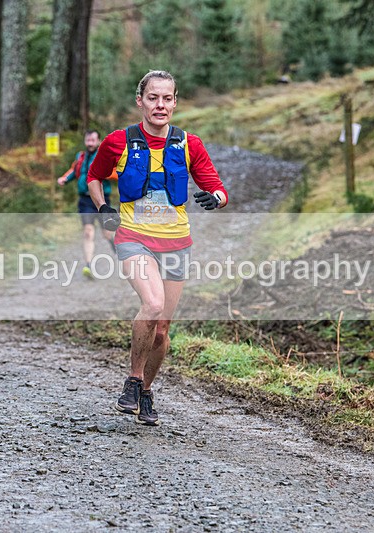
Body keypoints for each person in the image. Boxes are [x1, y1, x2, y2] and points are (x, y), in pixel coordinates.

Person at [87, 70, 229, 426]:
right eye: (153, 98)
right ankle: (133, 379)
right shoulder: (118, 141)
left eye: (167, 98)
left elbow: (218, 188)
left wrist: (216, 199)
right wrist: (104, 208)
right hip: (133, 237)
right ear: (140, 100)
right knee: (151, 305)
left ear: (175, 102)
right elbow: (94, 176)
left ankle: (146, 392)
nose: (160, 105)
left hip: (177, 242)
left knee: (162, 328)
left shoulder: (189, 144)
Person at [57, 130, 116, 279]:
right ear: (85, 141)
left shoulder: (105, 155)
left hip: (102, 200)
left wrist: (103, 172)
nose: (90, 143)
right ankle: (88, 265)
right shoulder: (81, 156)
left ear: (98, 141)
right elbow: (74, 171)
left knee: (107, 233)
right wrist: (64, 179)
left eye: (93, 140)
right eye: (88, 140)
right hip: (85, 200)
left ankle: (117, 248)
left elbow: (116, 173)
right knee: (88, 232)